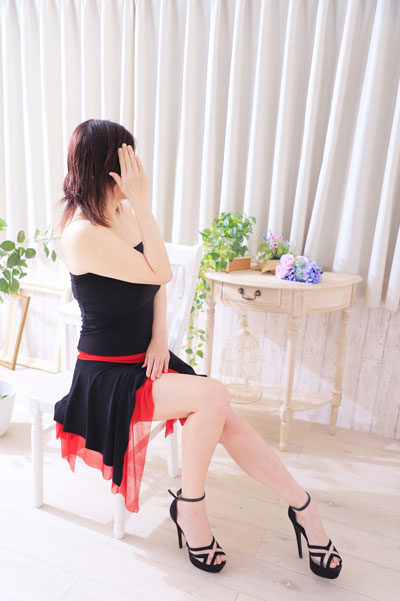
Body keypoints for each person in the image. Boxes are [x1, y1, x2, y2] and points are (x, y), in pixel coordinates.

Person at [54, 118, 342, 578]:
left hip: (146, 358)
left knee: (224, 415)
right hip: (108, 377)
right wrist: (144, 204)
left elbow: (156, 282)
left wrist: (160, 337)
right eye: (129, 159)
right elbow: (162, 271)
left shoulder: (123, 213)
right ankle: (191, 509)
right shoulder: (82, 233)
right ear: (109, 167)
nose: (138, 169)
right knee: (214, 396)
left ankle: (304, 508)